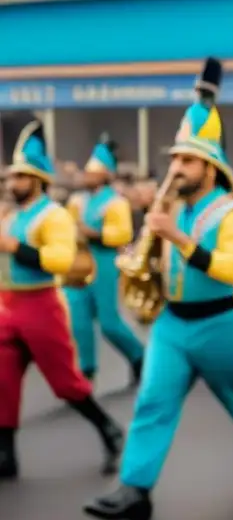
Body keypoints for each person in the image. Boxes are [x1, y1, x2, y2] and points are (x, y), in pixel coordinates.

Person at [84, 58, 233, 520]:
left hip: (220, 323)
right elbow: (160, 261)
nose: (175, 167)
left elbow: (232, 270)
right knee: (153, 402)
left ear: (210, 168)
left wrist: (174, 235)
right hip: (174, 323)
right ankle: (135, 490)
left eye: (187, 160)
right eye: (174, 158)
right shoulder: (170, 207)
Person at [0, 121, 124, 479]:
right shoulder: (11, 215)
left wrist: (16, 247)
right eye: (11, 177)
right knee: (3, 382)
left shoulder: (52, 215)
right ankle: (6, 453)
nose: (12, 184)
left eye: (20, 177)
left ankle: (109, 430)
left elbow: (60, 260)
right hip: (9, 306)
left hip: (41, 305)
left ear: (37, 179)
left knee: (65, 383)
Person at [65, 133, 146, 383]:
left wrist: (94, 232)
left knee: (109, 322)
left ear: (105, 175)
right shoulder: (77, 200)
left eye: (93, 172)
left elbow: (122, 234)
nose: (87, 176)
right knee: (78, 319)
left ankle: (139, 357)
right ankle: (86, 369)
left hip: (104, 263)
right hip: (78, 265)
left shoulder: (115, 203)